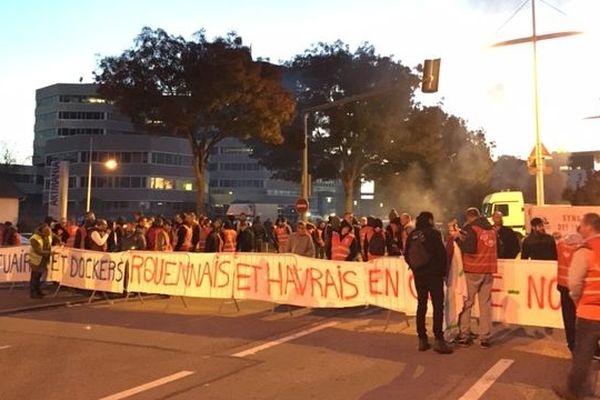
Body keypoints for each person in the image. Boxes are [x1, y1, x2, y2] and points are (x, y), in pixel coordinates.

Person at [554, 213, 600, 399]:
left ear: (588, 226)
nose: (579, 227)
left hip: (589, 312)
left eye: (582, 224)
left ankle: (573, 391)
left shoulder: (585, 250)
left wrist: (576, 299)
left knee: (583, 354)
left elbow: (574, 283)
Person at [405, 212, 453, 354]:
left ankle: (422, 339)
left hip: (419, 275)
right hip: (434, 275)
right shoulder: (433, 234)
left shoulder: (412, 235)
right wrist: (442, 271)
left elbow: (406, 254)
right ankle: (438, 339)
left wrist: (415, 268)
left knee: (421, 305)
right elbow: (441, 254)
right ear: (430, 220)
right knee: (438, 306)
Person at [456, 207, 498, 348]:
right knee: (485, 304)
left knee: (467, 303)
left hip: (473, 270)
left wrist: (458, 240)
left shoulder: (472, 229)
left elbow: (470, 248)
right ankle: (484, 337)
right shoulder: (491, 230)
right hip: (488, 270)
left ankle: (465, 334)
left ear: (469, 217)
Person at [555, 232, 584, 354]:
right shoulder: (580, 249)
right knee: (582, 318)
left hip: (563, 286)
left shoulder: (561, 245)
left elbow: (556, 240)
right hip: (576, 288)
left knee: (568, 318)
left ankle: (572, 344)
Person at [28, 223, 54, 299]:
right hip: (36, 260)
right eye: (46, 233)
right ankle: (33, 293)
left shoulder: (48, 234)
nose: (48, 235)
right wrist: (50, 253)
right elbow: (38, 251)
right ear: (42, 231)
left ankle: (38, 291)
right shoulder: (34, 238)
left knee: (39, 276)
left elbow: (54, 236)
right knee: (35, 277)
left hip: (43, 260)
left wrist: (60, 241)